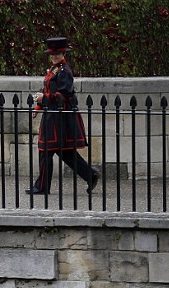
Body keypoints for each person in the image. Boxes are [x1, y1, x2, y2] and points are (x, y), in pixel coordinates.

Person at [27, 36, 100, 196]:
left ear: (63, 53)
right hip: (53, 115)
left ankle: (42, 187)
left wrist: (43, 99)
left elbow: (63, 94)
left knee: (47, 149)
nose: (54, 56)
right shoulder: (54, 69)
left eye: (58, 53)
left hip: (60, 117)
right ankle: (90, 175)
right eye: (52, 54)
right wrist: (39, 105)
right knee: (64, 151)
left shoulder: (64, 71)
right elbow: (48, 90)